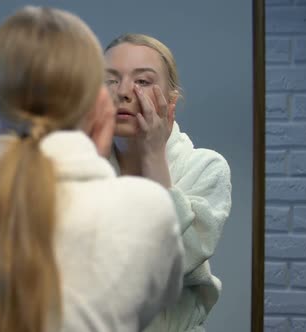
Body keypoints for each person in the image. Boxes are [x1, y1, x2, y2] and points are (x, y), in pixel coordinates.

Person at [0, 7, 184, 332]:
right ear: (98, 104)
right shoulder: (148, 210)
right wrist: (91, 158)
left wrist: (2, 160)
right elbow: (152, 308)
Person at [104, 33, 232, 332]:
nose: (123, 91)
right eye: (110, 79)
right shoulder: (81, 169)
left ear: (172, 100)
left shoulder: (205, 167)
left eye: (143, 81)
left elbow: (169, 266)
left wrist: (153, 156)